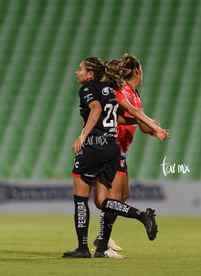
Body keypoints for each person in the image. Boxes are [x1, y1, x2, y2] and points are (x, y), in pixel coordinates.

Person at [62, 57, 168, 259]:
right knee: (107, 199)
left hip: (96, 144)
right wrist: (154, 127)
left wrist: (82, 136)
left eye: (80, 69)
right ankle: (103, 243)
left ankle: (86, 247)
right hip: (113, 148)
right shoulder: (111, 90)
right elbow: (127, 115)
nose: (77, 72)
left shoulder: (88, 89)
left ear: (90, 73)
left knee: (83, 198)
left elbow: (96, 110)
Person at [94, 54, 170, 256]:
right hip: (112, 148)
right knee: (112, 198)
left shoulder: (135, 94)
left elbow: (140, 124)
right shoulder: (122, 92)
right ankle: (103, 243)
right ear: (137, 71)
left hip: (121, 150)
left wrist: (153, 129)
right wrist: (148, 124)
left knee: (123, 195)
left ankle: (103, 238)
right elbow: (116, 118)